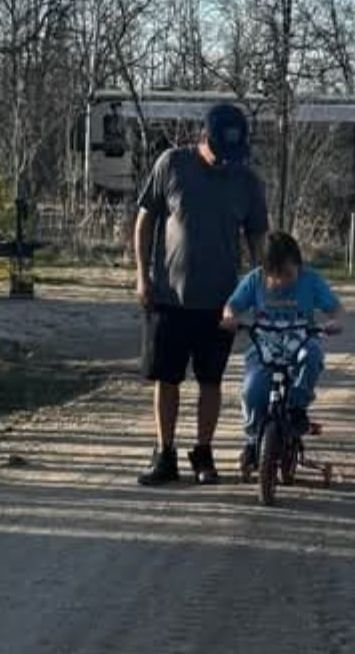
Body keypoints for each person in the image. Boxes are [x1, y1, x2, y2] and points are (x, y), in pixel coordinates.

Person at [135, 102, 268, 486]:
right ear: (203, 139)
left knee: (210, 381)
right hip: (169, 298)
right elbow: (145, 221)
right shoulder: (172, 165)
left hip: (222, 302)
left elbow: (259, 238)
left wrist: (263, 289)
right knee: (167, 377)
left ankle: (204, 453)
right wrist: (142, 276)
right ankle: (164, 454)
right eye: (221, 153)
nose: (227, 162)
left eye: (235, 154)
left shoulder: (247, 182)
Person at [221, 231, 343, 473]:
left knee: (312, 356)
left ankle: (297, 409)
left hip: (300, 342)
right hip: (265, 346)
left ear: (298, 265)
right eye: (274, 276)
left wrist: (334, 322)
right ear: (264, 270)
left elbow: (336, 308)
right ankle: (253, 438)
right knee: (252, 390)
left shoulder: (310, 281)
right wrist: (229, 318)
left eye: (287, 274)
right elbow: (232, 306)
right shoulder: (254, 281)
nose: (282, 282)